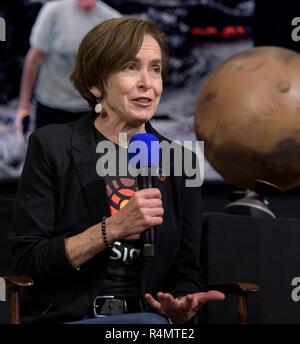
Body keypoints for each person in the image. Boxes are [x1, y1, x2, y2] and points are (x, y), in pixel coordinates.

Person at [10, 17, 224, 324]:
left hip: (149, 320)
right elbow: (29, 261)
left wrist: (181, 305)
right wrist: (111, 230)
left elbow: (186, 271)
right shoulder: (51, 146)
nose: (147, 83)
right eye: (130, 67)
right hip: (71, 317)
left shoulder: (179, 162)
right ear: (95, 84)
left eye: (155, 69)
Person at [15, 0, 120, 132]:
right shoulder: (54, 11)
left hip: (90, 110)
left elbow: (117, 71)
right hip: (51, 106)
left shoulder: (112, 19)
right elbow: (34, 59)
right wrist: (24, 106)